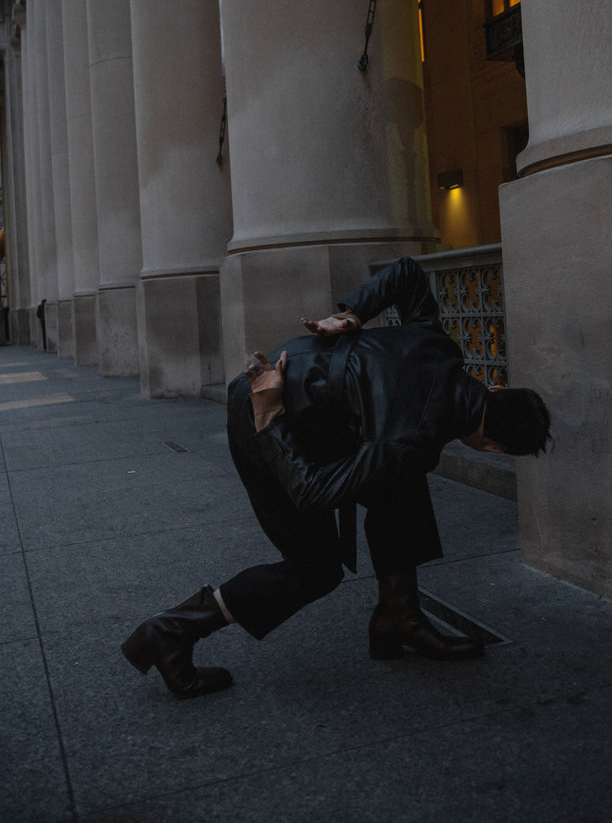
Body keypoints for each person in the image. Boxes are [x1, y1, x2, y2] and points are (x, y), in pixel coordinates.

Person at [122, 257, 550, 698]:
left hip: (320, 415)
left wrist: (350, 313)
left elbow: (406, 272)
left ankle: (398, 616)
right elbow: (310, 490)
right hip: (261, 413)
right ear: (496, 447)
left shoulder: (438, 345)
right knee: (315, 568)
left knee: (403, 485)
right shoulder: (403, 442)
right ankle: (171, 631)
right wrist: (270, 418)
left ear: (495, 387)